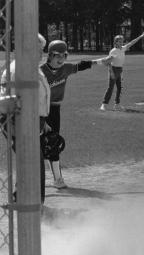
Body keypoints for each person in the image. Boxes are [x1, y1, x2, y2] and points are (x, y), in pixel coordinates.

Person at [41, 40, 102, 189]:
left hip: (55, 110)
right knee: (38, 146)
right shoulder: (41, 71)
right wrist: (42, 120)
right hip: (40, 109)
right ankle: (36, 179)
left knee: (53, 143)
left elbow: (81, 65)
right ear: (49, 55)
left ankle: (58, 179)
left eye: (64, 55)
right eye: (57, 55)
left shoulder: (66, 68)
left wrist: (101, 61)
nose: (61, 59)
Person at [0, 33, 51, 204]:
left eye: (42, 49)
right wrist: (18, 126)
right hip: (21, 123)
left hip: (32, 121)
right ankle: (35, 205)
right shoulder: (20, 69)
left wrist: (43, 121)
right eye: (39, 49)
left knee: (30, 161)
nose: (41, 53)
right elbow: (12, 101)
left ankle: (21, 198)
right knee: (34, 163)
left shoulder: (31, 67)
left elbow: (37, 99)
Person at [99, 31, 144, 111]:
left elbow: (132, 42)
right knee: (110, 88)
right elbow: (108, 63)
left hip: (120, 70)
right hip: (113, 69)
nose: (121, 42)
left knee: (120, 88)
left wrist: (140, 37)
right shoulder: (113, 51)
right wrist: (112, 73)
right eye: (119, 41)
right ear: (116, 42)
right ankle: (104, 105)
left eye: (122, 41)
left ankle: (117, 105)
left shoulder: (123, 48)